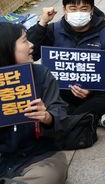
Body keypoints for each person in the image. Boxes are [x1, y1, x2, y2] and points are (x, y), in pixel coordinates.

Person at [27, 0, 105, 129]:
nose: (78, 13)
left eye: (84, 9)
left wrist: (92, 88)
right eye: (73, 8)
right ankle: (86, 117)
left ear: (92, 10)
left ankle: (71, 118)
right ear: (64, 9)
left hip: (94, 94)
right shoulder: (52, 30)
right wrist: (42, 24)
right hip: (60, 93)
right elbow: (31, 53)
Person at [0, 23, 68, 184]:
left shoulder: (41, 74)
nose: (32, 45)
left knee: (50, 175)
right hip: (3, 158)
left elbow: (60, 116)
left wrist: (47, 118)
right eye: (25, 41)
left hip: (39, 157)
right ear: (6, 47)